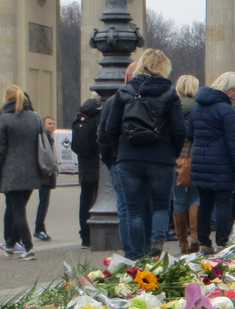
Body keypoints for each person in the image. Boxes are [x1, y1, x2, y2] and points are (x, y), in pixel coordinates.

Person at [101, 49, 185, 260]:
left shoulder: (124, 92)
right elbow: (178, 129)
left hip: (129, 158)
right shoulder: (169, 93)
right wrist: (172, 154)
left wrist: (120, 151)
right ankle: (157, 242)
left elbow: (111, 127)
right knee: (161, 207)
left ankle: (137, 256)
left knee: (134, 210)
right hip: (161, 158)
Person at [186, 71, 235, 253]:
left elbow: (189, 134)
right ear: (227, 89)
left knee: (205, 203)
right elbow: (233, 142)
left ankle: (204, 242)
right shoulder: (226, 110)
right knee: (223, 202)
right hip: (222, 163)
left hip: (200, 161)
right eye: (234, 90)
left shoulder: (196, 107)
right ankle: (222, 241)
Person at [0, 84, 45, 260]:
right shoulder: (35, 117)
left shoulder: (5, 119)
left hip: (11, 171)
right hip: (32, 170)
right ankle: (10, 244)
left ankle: (28, 247)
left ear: (7, 99)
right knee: (18, 209)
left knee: (18, 211)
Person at [97, 60, 137, 247]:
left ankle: (131, 250)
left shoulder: (114, 101)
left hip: (119, 160)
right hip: (146, 160)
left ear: (126, 77)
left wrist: (110, 159)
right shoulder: (154, 99)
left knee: (125, 206)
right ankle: (147, 249)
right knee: (145, 207)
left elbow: (104, 133)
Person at [172, 74, 200, 253]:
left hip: (175, 157)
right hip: (195, 156)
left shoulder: (172, 106)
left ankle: (182, 242)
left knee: (178, 199)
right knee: (195, 197)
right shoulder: (198, 108)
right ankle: (195, 236)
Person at [72, 96, 102, 246]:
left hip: (84, 168)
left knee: (85, 201)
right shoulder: (98, 120)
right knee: (98, 201)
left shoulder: (80, 120)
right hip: (98, 167)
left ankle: (85, 236)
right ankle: (95, 234)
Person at [35, 115, 57, 241]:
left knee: (44, 203)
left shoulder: (50, 139)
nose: (52, 126)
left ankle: (40, 228)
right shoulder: (43, 139)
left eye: (53, 123)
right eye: (49, 123)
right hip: (44, 174)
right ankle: (39, 229)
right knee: (43, 203)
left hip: (47, 174)